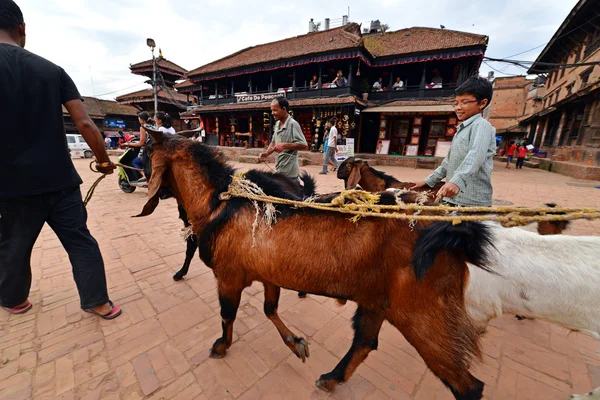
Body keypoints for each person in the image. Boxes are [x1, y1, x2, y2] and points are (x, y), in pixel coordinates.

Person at [0, 0, 121, 319]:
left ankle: (14, 300)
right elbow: (85, 123)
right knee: (81, 241)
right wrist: (104, 161)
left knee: (13, 246)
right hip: (61, 182)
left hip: (11, 187)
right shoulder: (52, 71)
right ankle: (99, 302)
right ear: (21, 28)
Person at [411, 76, 496, 206]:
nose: (458, 107)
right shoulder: (461, 129)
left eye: (465, 102)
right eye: (456, 103)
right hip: (452, 198)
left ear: (482, 103)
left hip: (471, 202)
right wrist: (429, 181)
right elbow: (448, 162)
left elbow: (475, 156)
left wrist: (457, 181)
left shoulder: (482, 126)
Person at [258, 97, 308, 180]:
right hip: (280, 171)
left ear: (284, 109)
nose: (272, 113)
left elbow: (303, 145)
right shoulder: (277, 124)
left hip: (290, 176)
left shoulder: (293, 124)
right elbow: (273, 142)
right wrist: (266, 154)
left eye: (275, 110)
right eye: (272, 110)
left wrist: (284, 145)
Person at [124, 111, 151, 182]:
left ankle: (144, 175)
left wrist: (128, 144)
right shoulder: (152, 126)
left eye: (139, 119)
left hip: (145, 151)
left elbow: (141, 143)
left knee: (135, 162)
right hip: (152, 149)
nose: (139, 120)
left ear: (142, 120)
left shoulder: (143, 127)